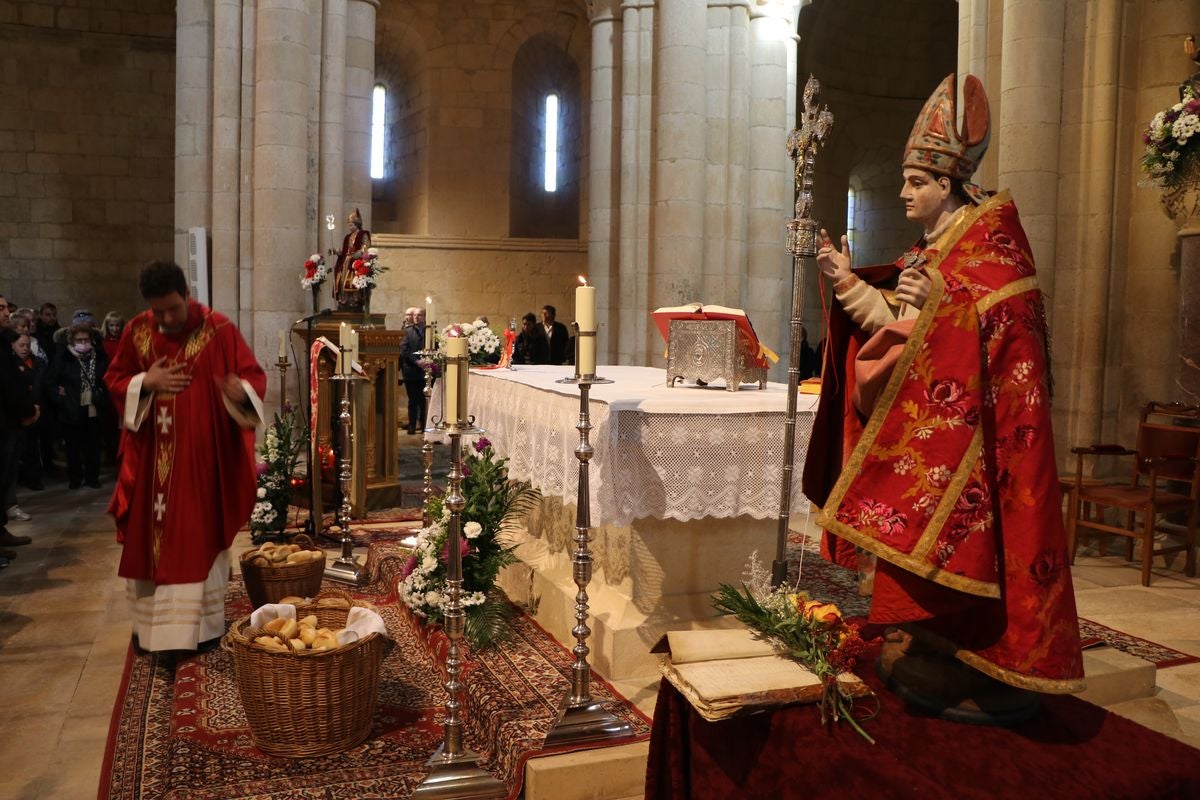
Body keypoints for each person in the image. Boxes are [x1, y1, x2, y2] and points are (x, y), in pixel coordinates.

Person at [803, 74, 1084, 715]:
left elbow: (1005, 336)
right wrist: (848, 284)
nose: (903, 192)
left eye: (915, 182)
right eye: (903, 180)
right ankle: (937, 643)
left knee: (985, 556)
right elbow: (899, 333)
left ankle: (987, 659)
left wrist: (946, 309)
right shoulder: (935, 249)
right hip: (940, 433)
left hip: (989, 449)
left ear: (949, 185)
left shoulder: (991, 254)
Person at [105, 260, 266, 652]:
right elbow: (115, 378)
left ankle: (200, 630)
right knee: (150, 544)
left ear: (187, 295)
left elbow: (252, 377)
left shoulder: (220, 329)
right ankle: (150, 631)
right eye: (157, 310)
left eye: (173, 308)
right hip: (149, 463)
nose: (165, 317)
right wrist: (146, 382)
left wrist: (238, 392)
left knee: (197, 537)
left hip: (200, 462)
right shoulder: (137, 330)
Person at [46, 324, 109, 490]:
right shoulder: (64, 357)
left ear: (91, 340)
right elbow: (51, 381)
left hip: (93, 406)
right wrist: (61, 399)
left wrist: (102, 393)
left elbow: (108, 378)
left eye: (86, 339)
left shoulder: (100, 356)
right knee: (73, 447)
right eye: (79, 340)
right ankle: (75, 478)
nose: (83, 342)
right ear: (72, 341)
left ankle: (92, 477)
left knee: (93, 446)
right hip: (71, 407)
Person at [0, 325, 39, 563]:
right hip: (4, 421)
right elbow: (7, 386)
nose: (5, 313)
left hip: (10, 421)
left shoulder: (4, 344)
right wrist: (26, 410)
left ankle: (1, 532)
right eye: (1, 308)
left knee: (5, 479)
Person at [12, 332, 45, 492]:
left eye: (27, 345)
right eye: (21, 345)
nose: (25, 349)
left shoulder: (38, 362)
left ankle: (35, 479)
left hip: (37, 408)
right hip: (20, 411)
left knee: (33, 447)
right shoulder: (10, 364)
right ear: (13, 346)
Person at [332, 208, 371, 311]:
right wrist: (338, 252)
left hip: (356, 262)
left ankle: (354, 300)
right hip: (346, 262)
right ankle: (344, 299)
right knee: (342, 281)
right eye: (348, 225)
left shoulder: (363, 234)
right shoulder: (347, 237)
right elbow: (344, 251)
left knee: (353, 281)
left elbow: (366, 246)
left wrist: (359, 253)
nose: (350, 227)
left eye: (352, 225)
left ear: (357, 224)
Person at [400, 306, 428, 434]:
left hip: (425, 371)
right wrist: (416, 361)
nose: (416, 317)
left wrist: (426, 362)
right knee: (412, 400)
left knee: (424, 401)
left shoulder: (430, 331)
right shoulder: (407, 331)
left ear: (425, 317)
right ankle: (412, 426)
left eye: (420, 315)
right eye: (415, 315)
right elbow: (404, 350)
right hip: (411, 371)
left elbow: (434, 347)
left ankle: (424, 426)